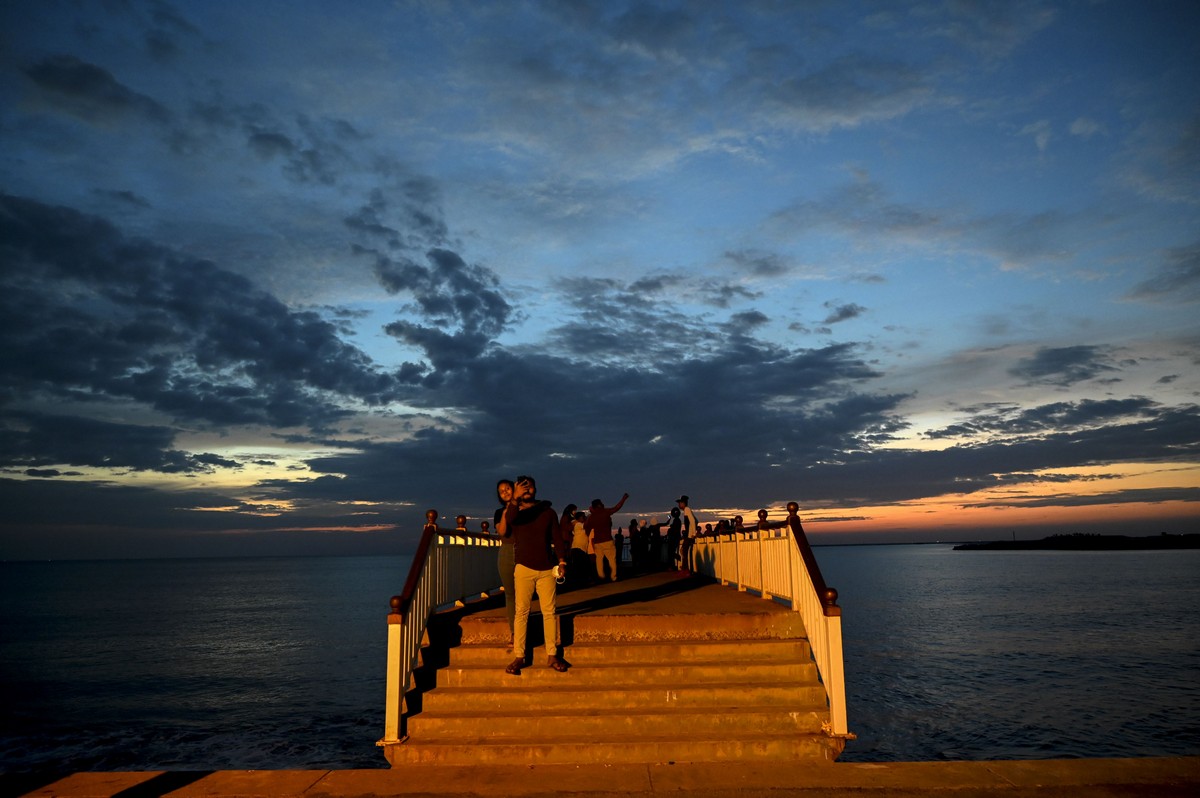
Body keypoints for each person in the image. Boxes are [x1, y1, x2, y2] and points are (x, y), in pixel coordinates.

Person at [498, 475, 569, 675]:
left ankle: (552, 654)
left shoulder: (548, 512)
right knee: (521, 612)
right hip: (523, 568)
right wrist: (515, 499)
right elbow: (509, 522)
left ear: (536, 489)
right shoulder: (516, 511)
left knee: (549, 612)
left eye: (530, 487)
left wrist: (562, 561)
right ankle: (519, 656)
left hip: (547, 568)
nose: (527, 490)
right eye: (522, 487)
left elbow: (557, 537)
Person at [493, 479, 516, 642]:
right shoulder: (499, 512)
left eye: (508, 488)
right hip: (507, 552)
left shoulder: (524, 508)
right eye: (502, 491)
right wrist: (507, 512)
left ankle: (523, 626)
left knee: (524, 593)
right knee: (510, 594)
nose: (505, 492)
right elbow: (502, 532)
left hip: (524, 551)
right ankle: (514, 630)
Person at [585, 492, 628, 582]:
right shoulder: (605, 512)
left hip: (597, 541)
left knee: (599, 559)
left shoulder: (591, 517)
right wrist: (623, 499)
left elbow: (586, 527)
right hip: (607, 540)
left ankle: (601, 575)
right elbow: (617, 507)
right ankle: (613, 576)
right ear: (600, 505)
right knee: (611, 559)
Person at [677, 495, 699, 573]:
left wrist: (693, 533)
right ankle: (684, 567)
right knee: (683, 550)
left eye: (680, 503)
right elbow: (696, 520)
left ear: (683, 503)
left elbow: (692, 521)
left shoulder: (687, 509)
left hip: (689, 535)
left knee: (684, 551)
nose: (679, 505)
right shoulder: (687, 510)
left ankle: (685, 569)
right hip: (688, 534)